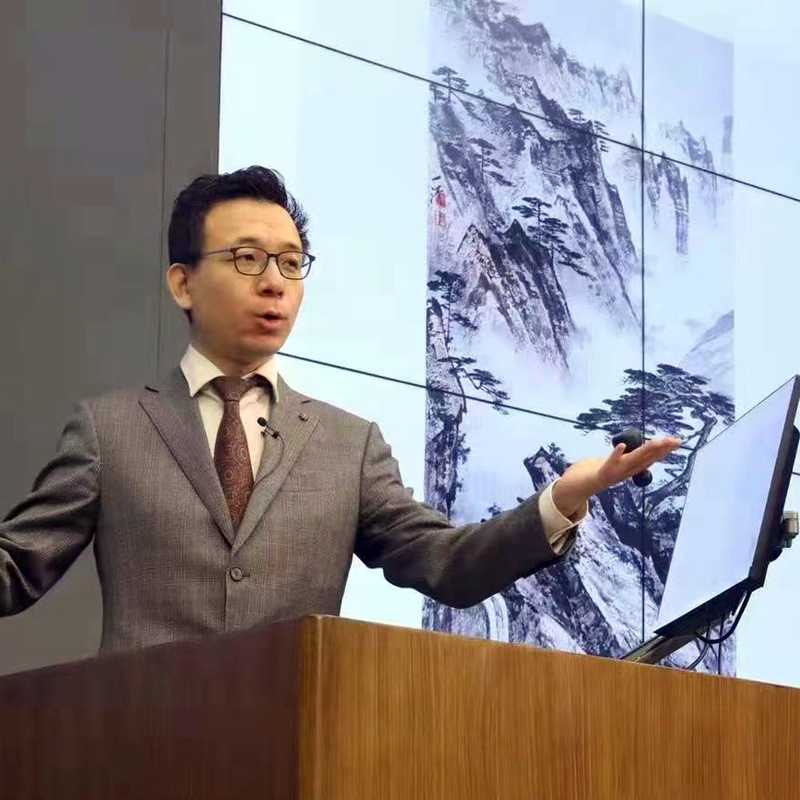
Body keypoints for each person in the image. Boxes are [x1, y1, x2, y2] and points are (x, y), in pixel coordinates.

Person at [0, 166, 680, 653]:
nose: (274, 282)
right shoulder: (111, 431)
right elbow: (14, 571)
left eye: (291, 263)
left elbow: (448, 564)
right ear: (183, 283)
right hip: (134, 755)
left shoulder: (347, 446)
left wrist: (562, 498)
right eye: (247, 258)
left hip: (295, 757)